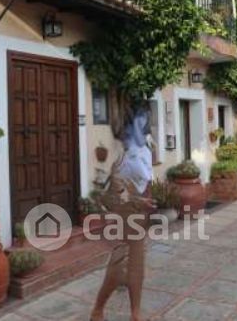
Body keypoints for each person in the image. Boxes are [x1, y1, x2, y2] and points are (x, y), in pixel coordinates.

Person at [90, 107, 155, 321]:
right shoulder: (123, 157)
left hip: (139, 213)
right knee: (119, 264)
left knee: (136, 265)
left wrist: (146, 203)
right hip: (125, 214)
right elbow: (117, 194)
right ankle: (98, 309)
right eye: (140, 122)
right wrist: (139, 201)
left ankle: (135, 313)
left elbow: (147, 182)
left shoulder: (144, 150)